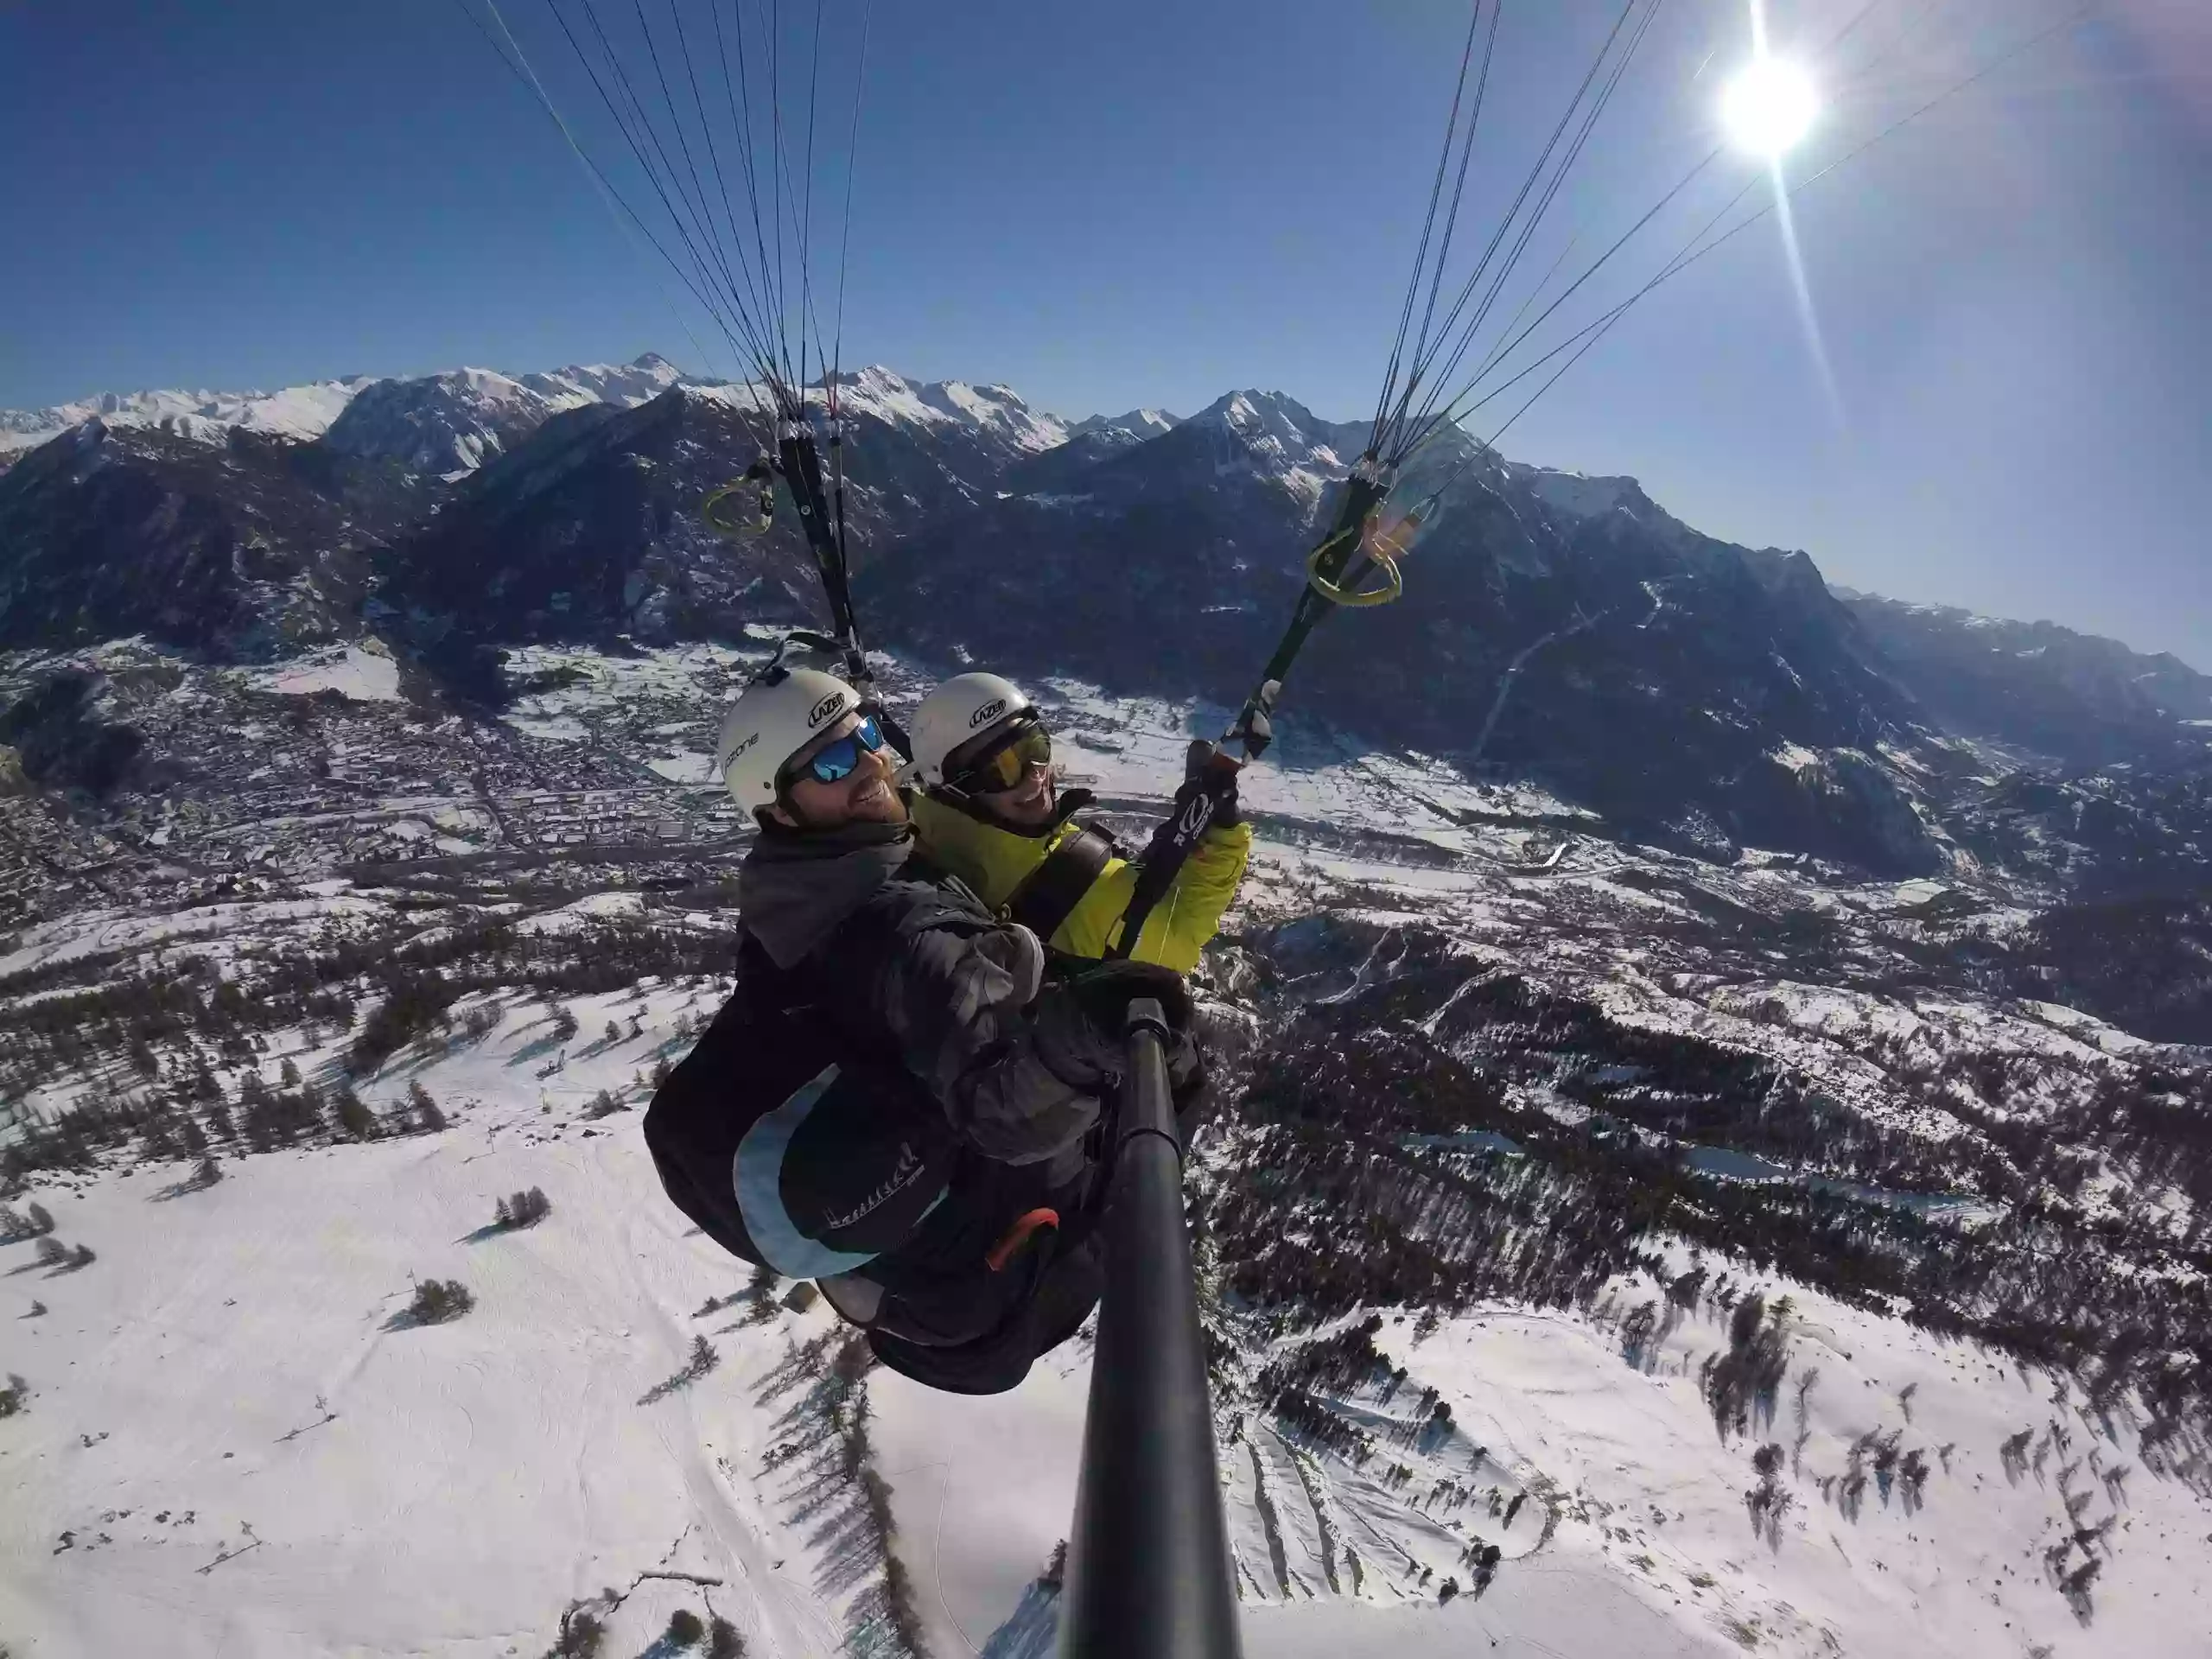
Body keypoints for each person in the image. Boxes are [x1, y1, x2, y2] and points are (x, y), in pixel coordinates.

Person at [644, 660, 1204, 1394]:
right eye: (834, 761)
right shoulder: (907, 931)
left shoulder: (783, 894)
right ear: (778, 809)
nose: (874, 762)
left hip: (915, 1287)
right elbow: (1005, 1113)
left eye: (869, 733)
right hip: (1001, 1299)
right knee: (1179, 1074)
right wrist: (1076, 1039)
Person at [903, 672, 1251, 970]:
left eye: (1035, 749)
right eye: (1003, 768)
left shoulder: (916, 849)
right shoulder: (1079, 887)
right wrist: (1220, 836)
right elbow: (1181, 933)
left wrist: (1204, 831)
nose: (1035, 777)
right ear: (956, 790)